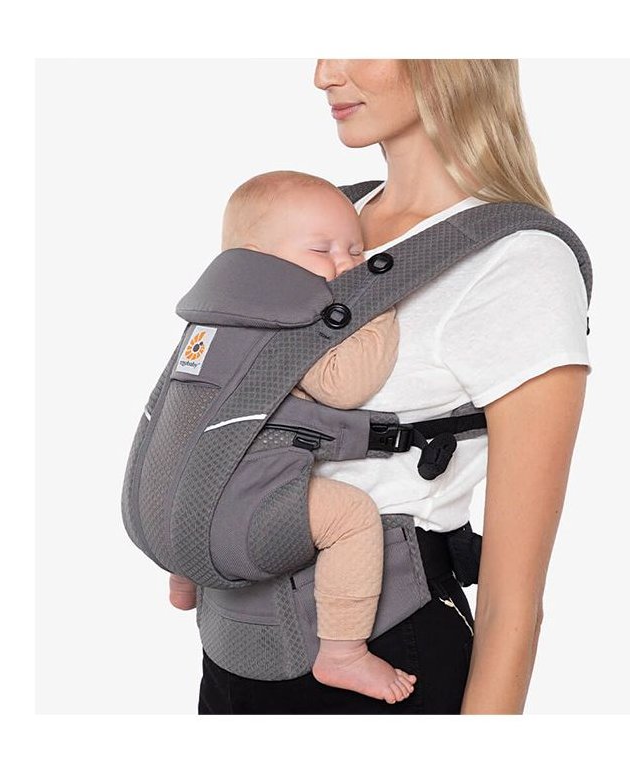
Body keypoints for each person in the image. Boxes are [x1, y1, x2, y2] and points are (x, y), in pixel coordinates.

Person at [194, 59, 591, 714]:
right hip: (237, 643)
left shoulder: (517, 262)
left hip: (388, 650)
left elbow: (512, 603)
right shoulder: (317, 218)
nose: (324, 73)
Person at [169, 169, 419, 705]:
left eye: (355, 249)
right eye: (321, 250)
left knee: (186, 475)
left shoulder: (211, 317)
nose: (346, 264)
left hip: (186, 499)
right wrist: (380, 307)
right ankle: (343, 653)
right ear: (258, 261)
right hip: (244, 500)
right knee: (351, 518)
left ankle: (184, 575)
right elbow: (344, 385)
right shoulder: (289, 318)